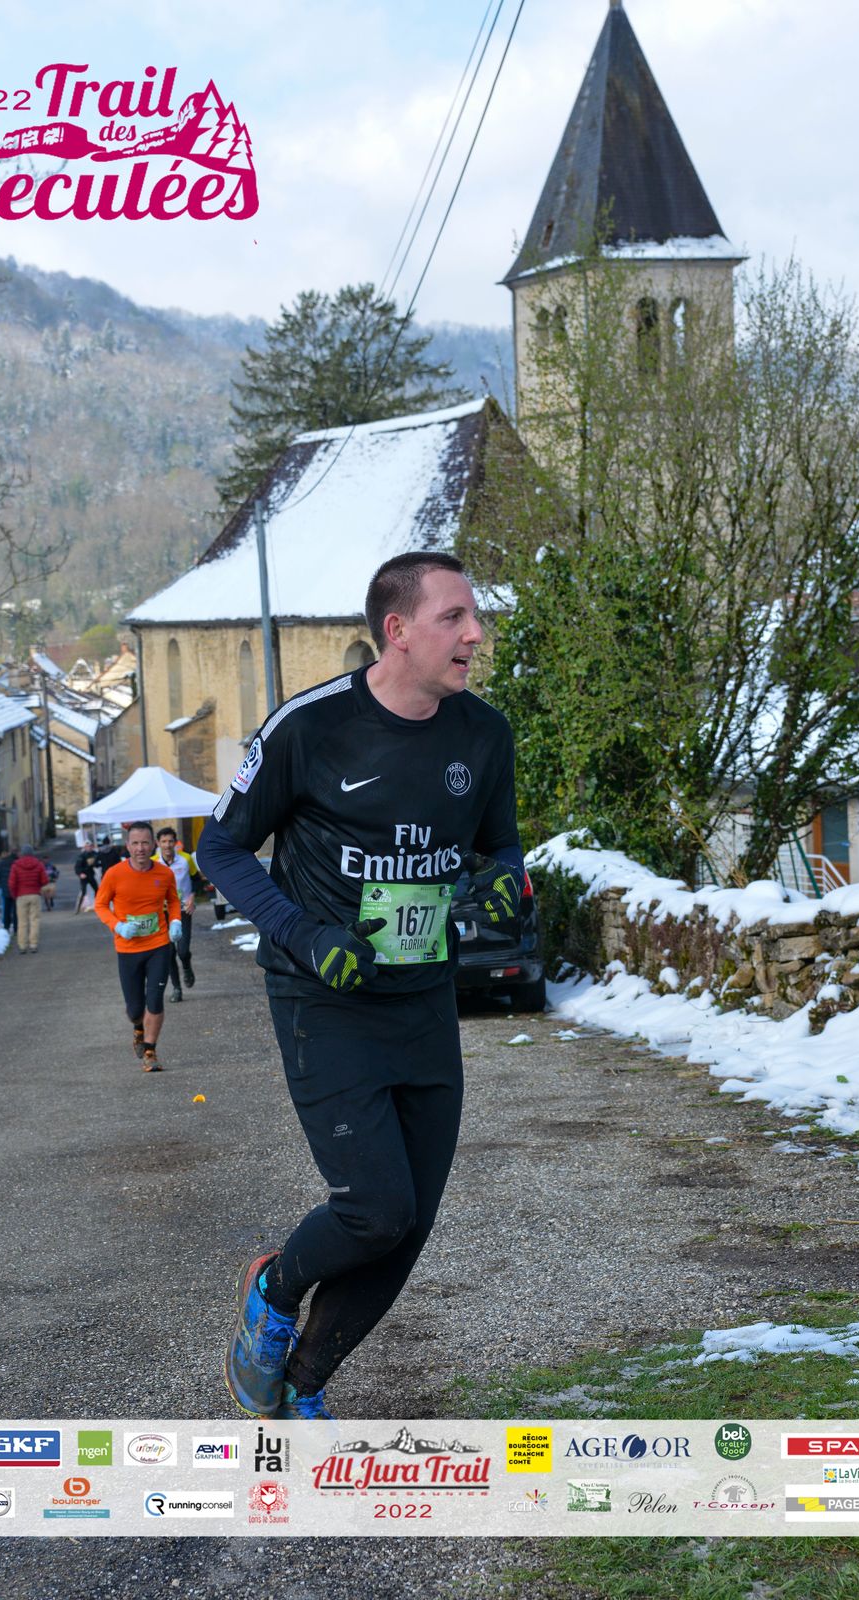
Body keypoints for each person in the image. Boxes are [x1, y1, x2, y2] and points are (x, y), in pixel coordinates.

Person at [195, 551, 523, 1421]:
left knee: (408, 1225)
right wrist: (305, 935)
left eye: (474, 616)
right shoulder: (311, 728)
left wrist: (502, 876)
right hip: (325, 1000)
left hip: (423, 1001)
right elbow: (219, 847)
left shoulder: (484, 735)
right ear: (398, 629)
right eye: (455, 618)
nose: (475, 633)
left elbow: (500, 845)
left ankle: (303, 1384)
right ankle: (273, 1289)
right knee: (376, 1210)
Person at [94, 820, 182, 1072]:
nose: (140, 848)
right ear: (127, 845)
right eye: (135, 843)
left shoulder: (164, 874)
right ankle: (138, 1028)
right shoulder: (114, 874)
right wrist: (118, 926)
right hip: (128, 949)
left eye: (145, 843)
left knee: (155, 1001)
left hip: (158, 945)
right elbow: (100, 905)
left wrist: (175, 921)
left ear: (153, 844)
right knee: (135, 1008)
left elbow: (173, 901)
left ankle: (150, 1051)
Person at [153, 827, 196, 1001]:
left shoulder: (186, 859)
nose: (167, 845)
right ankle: (177, 989)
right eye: (163, 841)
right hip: (162, 913)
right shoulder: (153, 862)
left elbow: (196, 879)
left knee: (183, 951)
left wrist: (192, 897)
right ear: (158, 843)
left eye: (170, 841)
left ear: (175, 842)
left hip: (183, 909)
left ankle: (186, 966)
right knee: (169, 952)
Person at [8, 846, 49, 953]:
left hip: (21, 896)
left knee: (22, 922)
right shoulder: (38, 864)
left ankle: (22, 946)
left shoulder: (15, 865)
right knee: (34, 920)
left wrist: (14, 895)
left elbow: (12, 883)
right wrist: (37, 886)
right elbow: (45, 880)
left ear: (22, 853)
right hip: (35, 895)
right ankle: (33, 945)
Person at [0, 849, 19, 934]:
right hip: (15, 889)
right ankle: (16, 928)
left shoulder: (2, 863)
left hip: (5, 888)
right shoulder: (17, 863)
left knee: (7, 908)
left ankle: (6, 926)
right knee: (16, 910)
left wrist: (2, 884)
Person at [74, 843, 100, 913]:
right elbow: (77, 867)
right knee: (83, 891)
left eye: (91, 846)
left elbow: (97, 863)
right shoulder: (82, 856)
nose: (89, 848)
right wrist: (80, 874)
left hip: (91, 875)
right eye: (88, 847)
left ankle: (98, 906)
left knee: (97, 890)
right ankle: (77, 908)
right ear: (85, 847)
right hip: (84, 876)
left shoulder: (95, 854)